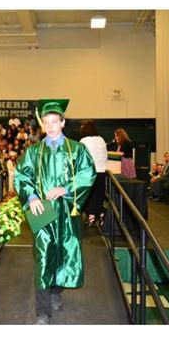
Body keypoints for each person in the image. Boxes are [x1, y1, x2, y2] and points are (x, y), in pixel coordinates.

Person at [14, 99, 96, 325]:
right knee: (43, 255)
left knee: (65, 251)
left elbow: (88, 174)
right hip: (43, 210)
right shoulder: (34, 152)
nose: (50, 127)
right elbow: (21, 175)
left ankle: (56, 290)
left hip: (68, 210)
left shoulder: (77, 149)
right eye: (46, 123)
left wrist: (67, 188)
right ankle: (42, 311)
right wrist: (30, 196)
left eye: (54, 122)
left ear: (63, 123)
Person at [79, 119, 108, 227]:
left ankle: (91, 216)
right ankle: (101, 215)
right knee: (100, 194)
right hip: (102, 171)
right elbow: (105, 156)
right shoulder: (101, 139)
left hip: (89, 172)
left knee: (89, 195)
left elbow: (82, 158)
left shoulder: (83, 141)